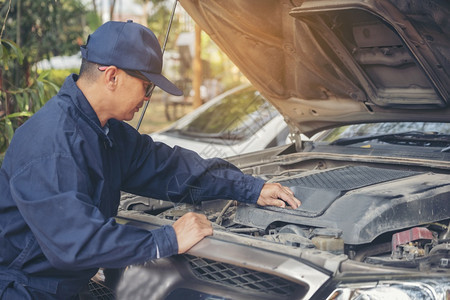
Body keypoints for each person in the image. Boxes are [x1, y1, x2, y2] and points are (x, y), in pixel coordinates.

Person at [0, 20, 300, 299]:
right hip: (24, 290)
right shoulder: (52, 144)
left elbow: (172, 168)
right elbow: (76, 243)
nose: (148, 98)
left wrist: (250, 188)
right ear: (113, 76)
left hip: (64, 286)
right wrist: (166, 240)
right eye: (147, 86)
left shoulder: (106, 133)